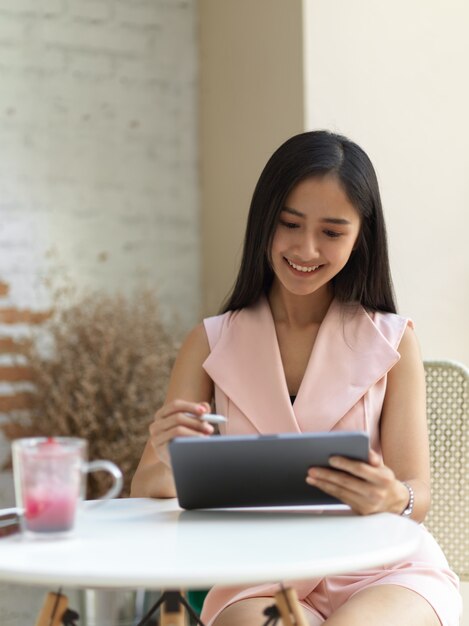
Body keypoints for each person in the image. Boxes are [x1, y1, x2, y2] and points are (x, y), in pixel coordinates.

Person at [131, 131, 461, 626]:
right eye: (290, 224)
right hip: (259, 574)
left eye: (332, 232)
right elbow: (147, 488)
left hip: (382, 567)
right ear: (265, 221)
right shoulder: (210, 342)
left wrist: (396, 496)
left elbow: (417, 493)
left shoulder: (394, 341)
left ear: (361, 236)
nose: (306, 248)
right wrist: (165, 449)